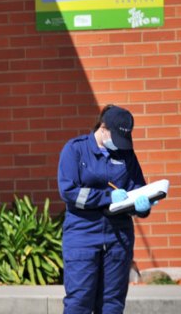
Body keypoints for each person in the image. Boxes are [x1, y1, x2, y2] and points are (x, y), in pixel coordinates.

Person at [58, 105, 152, 314]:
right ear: (103, 128)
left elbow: (137, 189)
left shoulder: (126, 155)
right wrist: (107, 197)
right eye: (116, 137)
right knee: (79, 302)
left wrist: (143, 206)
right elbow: (69, 192)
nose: (119, 144)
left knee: (112, 304)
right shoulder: (75, 150)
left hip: (118, 237)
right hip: (83, 235)